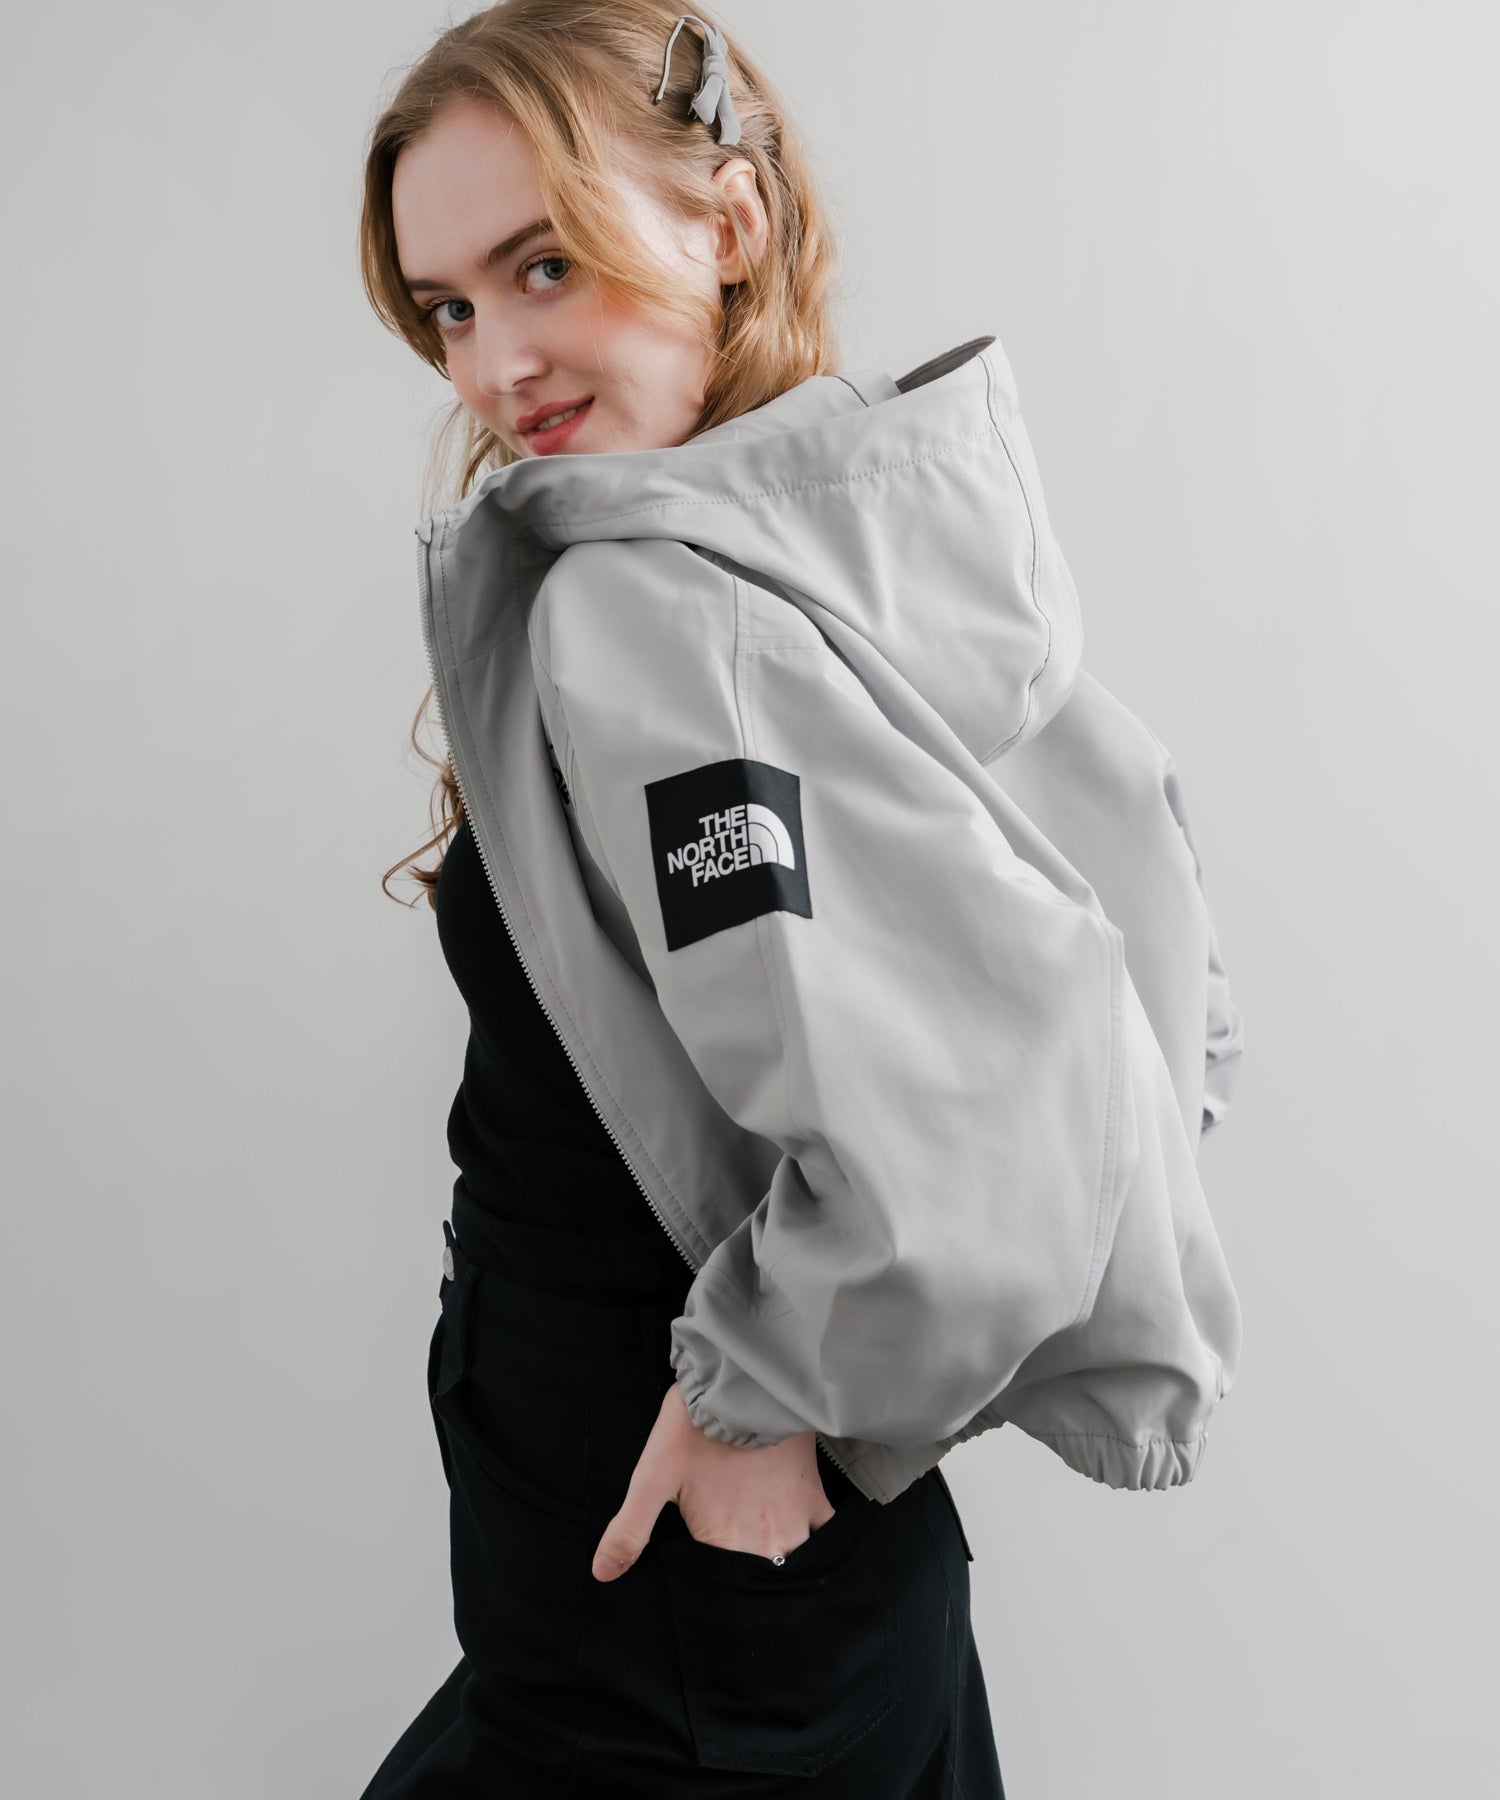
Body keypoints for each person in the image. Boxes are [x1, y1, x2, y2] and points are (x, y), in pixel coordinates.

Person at [355, 3, 1243, 1794]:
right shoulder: (861, 544)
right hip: (769, 1579)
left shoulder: (651, 614)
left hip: (679, 1592)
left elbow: (1004, 1124)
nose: (494, 364)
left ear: (730, 222)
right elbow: (1155, 995)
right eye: (447, 307)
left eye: (544, 265)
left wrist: (764, 1391)